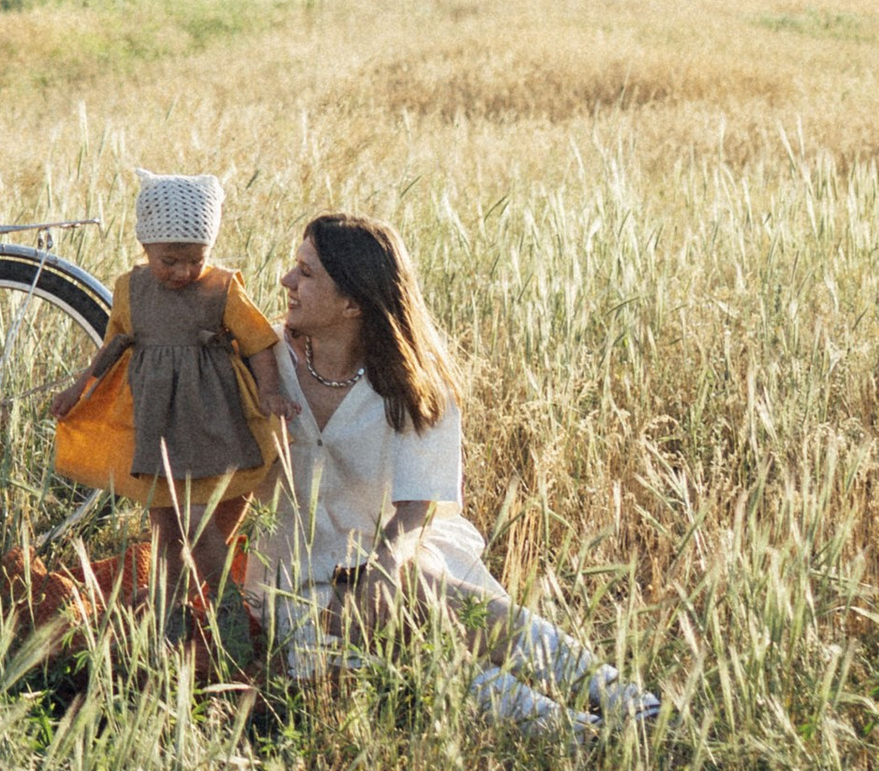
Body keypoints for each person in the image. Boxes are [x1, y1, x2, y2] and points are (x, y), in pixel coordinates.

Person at [248, 214, 658, 740]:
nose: (286, 281)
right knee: (415, 653)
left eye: (305, 273)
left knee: (416, 591)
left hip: (393, 548)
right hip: (292, 574)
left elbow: (417, 508)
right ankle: (574, 732)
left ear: (352, 303)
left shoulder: (417, 383)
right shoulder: (263, 362)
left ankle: (623, 700)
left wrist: (382, 571)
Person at [48, 172, 291, 663]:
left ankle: (228, 610)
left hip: (212, 419)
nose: (182, 272)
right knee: (163, 521)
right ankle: (168, 608)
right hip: (155, 423)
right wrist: (79, 388)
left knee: (199, 522)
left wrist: (270, 388)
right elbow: (112, 347)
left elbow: (260, 340)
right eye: (170, 261)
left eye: (194, 260)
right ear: (144, 245)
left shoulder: (222, 288)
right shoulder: (131, 288)